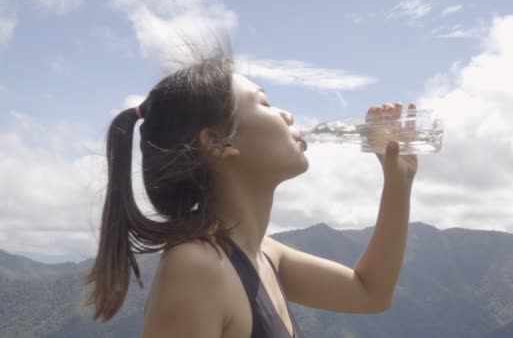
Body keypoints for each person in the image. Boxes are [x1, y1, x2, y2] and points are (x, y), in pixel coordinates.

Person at [83, 47, 418, 338]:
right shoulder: (197, 267)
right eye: (265, 103)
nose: (288, 115)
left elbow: (370, 292)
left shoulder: (263, 253)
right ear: (218, 142)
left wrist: (398, 183)